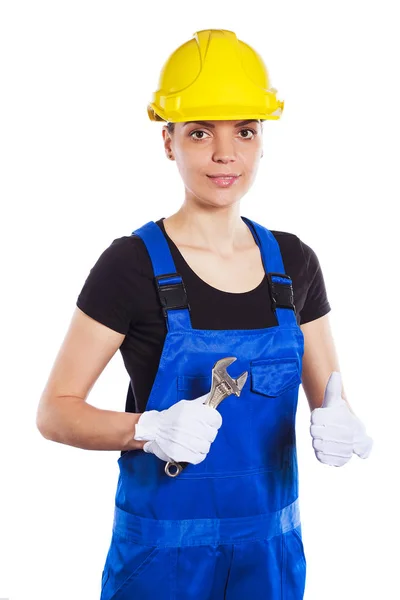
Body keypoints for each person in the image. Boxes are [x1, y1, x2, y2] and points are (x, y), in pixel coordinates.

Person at [36, 29, 373, 600]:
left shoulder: (295, 264)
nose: (226, 154)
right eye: (199, 132)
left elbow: (331, 398)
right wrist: (145, 429)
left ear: (262, 140)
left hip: (270, 557)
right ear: (168, 141)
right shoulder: (130, 265)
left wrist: (345, 427)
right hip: (161, 562)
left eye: (245, 130)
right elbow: (55, 413)